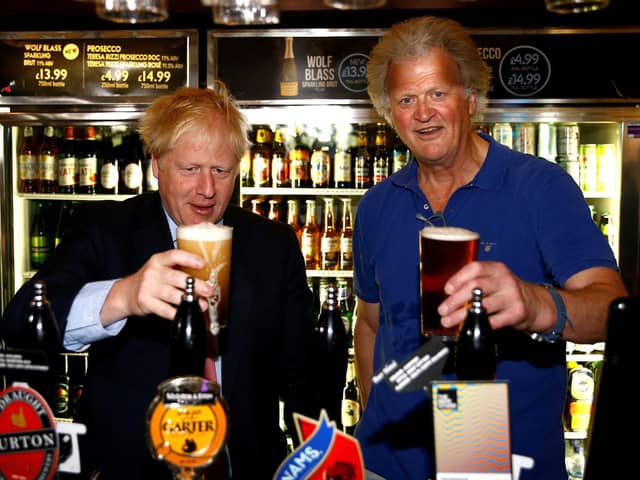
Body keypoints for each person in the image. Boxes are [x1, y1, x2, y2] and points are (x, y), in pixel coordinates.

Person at [352, 16, 628, 480]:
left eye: (438, 93)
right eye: (406, 99)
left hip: (493, 459)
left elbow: (612, 305)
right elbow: (369, 323)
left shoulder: (538, 187)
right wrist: (373, 421)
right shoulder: (378, 205)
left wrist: (536, 305)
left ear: (471, 99)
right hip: (388, 463)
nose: (424, 113)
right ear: (388, 113)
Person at [0, 83, 316, 479]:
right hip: (130, 466)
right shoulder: (106, 228)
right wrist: (124, 295)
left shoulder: (273, 243)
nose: (206, 189)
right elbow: (19, 325)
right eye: (189, 169)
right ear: (156, 164)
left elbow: (303, 367)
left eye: (221, 170)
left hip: (241, 466)